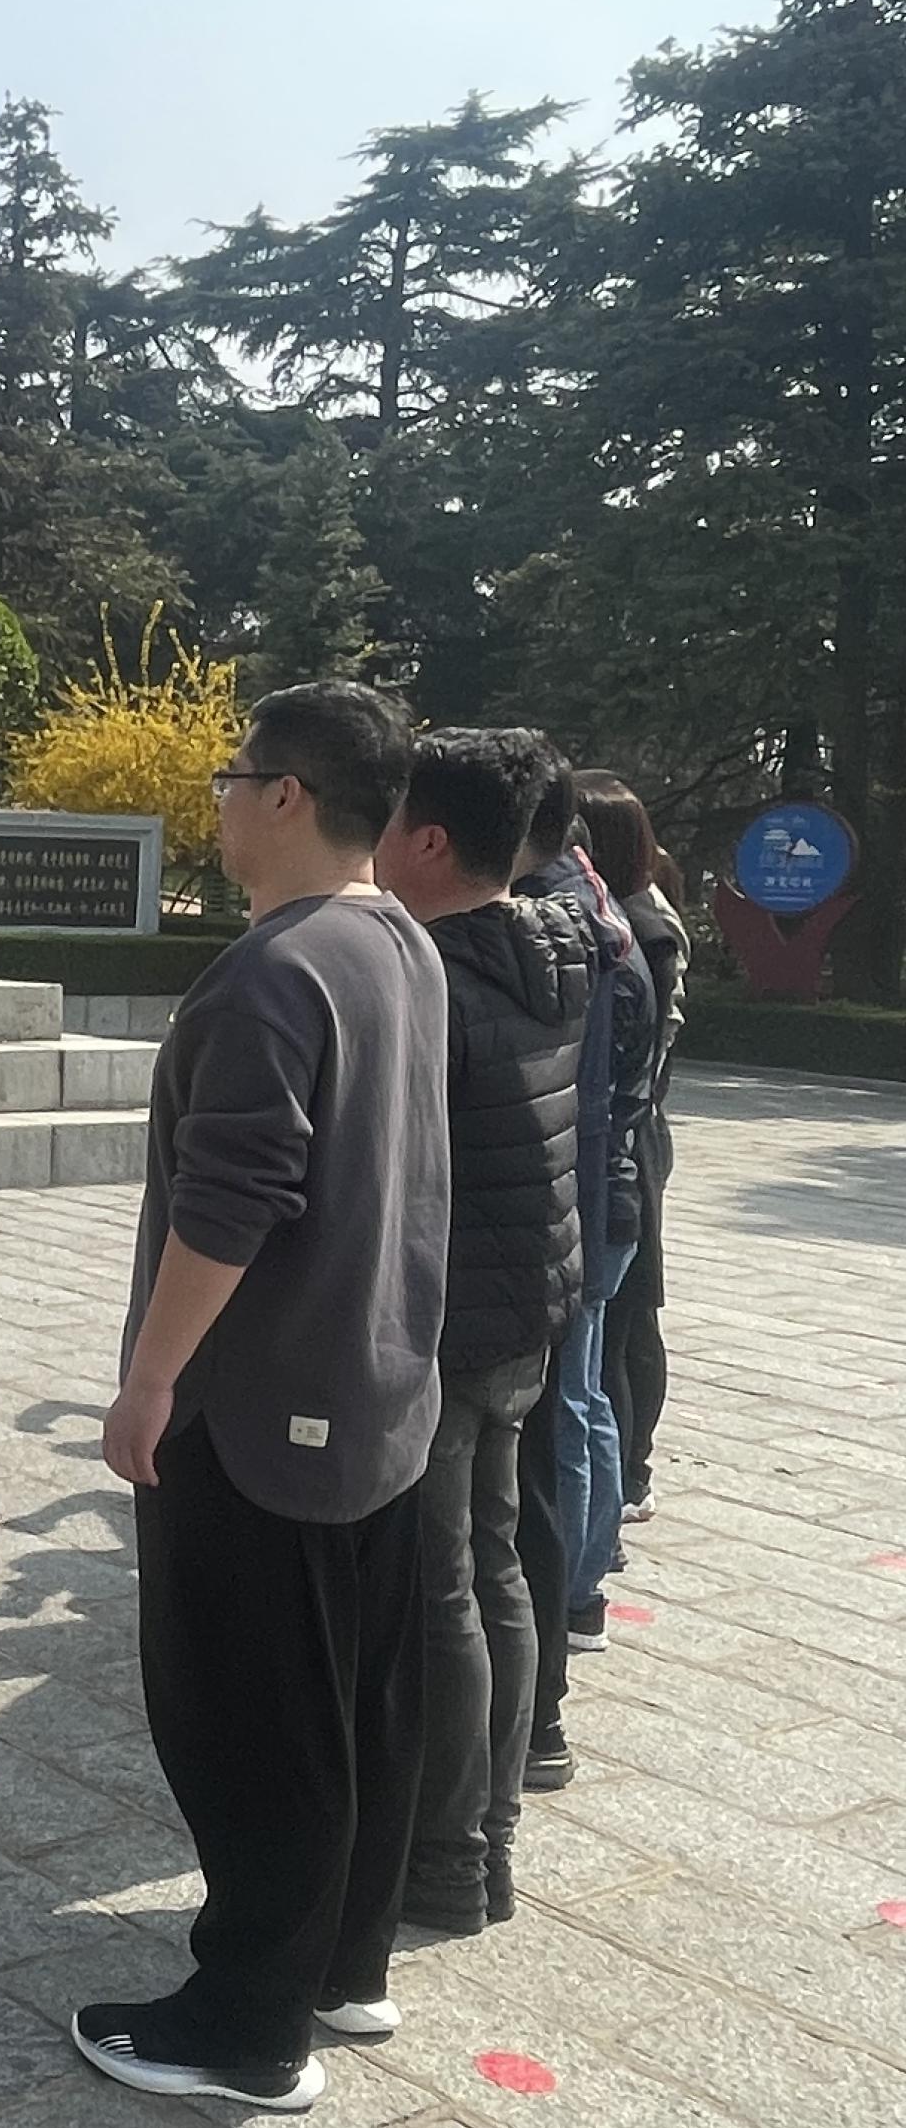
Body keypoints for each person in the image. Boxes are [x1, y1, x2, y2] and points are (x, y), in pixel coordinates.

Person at [78, 684, 447, 2114]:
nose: (219, 798)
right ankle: (343, 1966)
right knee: (358, 1700)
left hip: (256, 1414)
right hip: (376, 1395)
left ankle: (245, 2027)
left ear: (287, 794)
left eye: (234, 775)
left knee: (249, 1722)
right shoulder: (401, 940)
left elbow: (233, 1201)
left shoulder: (271, 974)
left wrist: (151, 1376)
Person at [374, 729, 591, 1940]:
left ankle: (448, 1857)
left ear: (429, 841)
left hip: (453, 1318)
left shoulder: (430, 976)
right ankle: (491, 1834)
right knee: (494, 1566)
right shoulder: (553, 948)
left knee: (441, 1587)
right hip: (526, 1305)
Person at [514, 762, 657, 1794]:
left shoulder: (575, 932)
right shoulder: (609, 918)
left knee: (566, 1408)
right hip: (607, 1201)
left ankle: (571, 1593)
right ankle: (585, 1583)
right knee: (585, 1397)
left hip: (588, 1204)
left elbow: (589, 1104)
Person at [576, 774, 687, 1527]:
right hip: (638, 1127)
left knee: (624, 1318)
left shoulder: (639, 930)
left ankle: (629, 1475)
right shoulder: (634, 914)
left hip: (631, 1132)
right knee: (624, 1317)